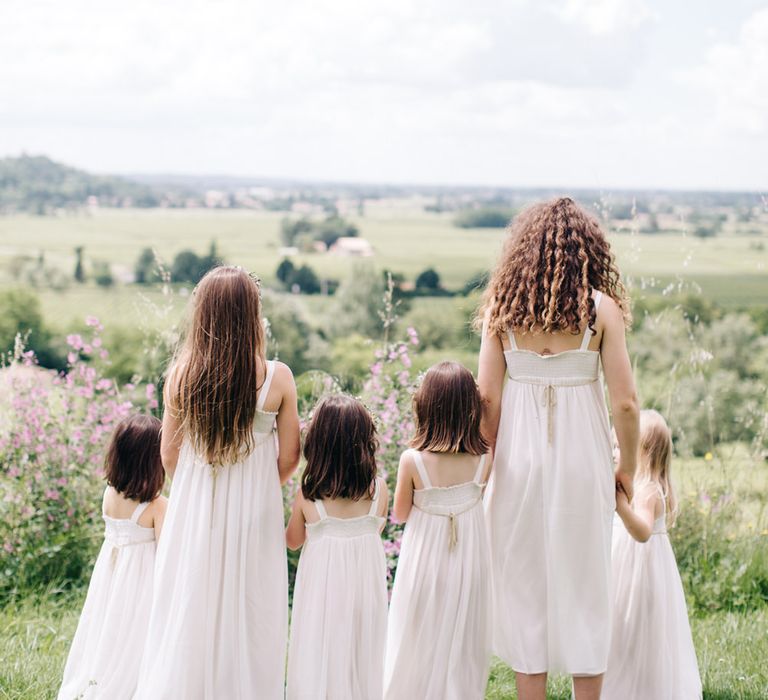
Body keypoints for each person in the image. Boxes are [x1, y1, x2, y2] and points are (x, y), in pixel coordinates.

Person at [478, 197, 639, 700]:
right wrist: (627, 468)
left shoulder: (501, 312)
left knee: (526, 586)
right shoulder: (601, 311)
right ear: (588, 250)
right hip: (583, 464)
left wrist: (484, 474)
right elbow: (627, 404)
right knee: (585, 585)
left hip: (516, 466)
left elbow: (486, 400)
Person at [134, 266, 301, 700]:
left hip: (196, 508)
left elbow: (168, 454)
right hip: (255, 511)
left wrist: (195, 490)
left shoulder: (182, 377)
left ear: (203, 314)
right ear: (251, 314)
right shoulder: (277, 378)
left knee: (192, 599)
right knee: (252, 603)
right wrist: (263, 486)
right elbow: (290, 455)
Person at [385, 361, 492, 700]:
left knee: (418, 628)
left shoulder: (412, 460)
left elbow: (400, 514)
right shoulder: (484, 458)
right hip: (470, 561)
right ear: (471, 409)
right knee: (462, 631)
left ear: (426, 406)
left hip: (425, 561)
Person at [286, 394, 388, 700]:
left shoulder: (309, 494)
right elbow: (377, 528)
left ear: (318, 442)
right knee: (361, 656)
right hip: (365, 594)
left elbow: (292, 541)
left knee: (320, 656)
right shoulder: (378, 490)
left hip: (322, 597)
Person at [58, 414, 167, 700]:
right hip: (142, 579)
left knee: (107, 624)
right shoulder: (157, 506)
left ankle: (96, 677)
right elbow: (169, 552)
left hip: (111, 573)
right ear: (153, 460)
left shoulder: (109, 493)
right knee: (134, 633)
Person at [603, 410, 702, 699]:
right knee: (621, 623)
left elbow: (643, 532)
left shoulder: (648, 491)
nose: (614, 451)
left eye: (620, 446)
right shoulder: (639, 484)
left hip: (641, 569)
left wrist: (619, 505)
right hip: (627, 565)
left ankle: (643, 686)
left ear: (643, 452)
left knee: (639, 624)